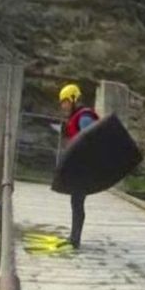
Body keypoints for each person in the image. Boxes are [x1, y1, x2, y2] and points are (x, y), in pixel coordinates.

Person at [59, 83, 99, 249]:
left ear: (74, 99)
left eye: (65, 102)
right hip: (80, 166)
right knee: (76, 202)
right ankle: (74, 237)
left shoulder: (84, 117)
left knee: (77, 201)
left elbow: (90, 140)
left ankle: (75, 239)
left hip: (86, 167)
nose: (63, 106)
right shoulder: (77, 117)